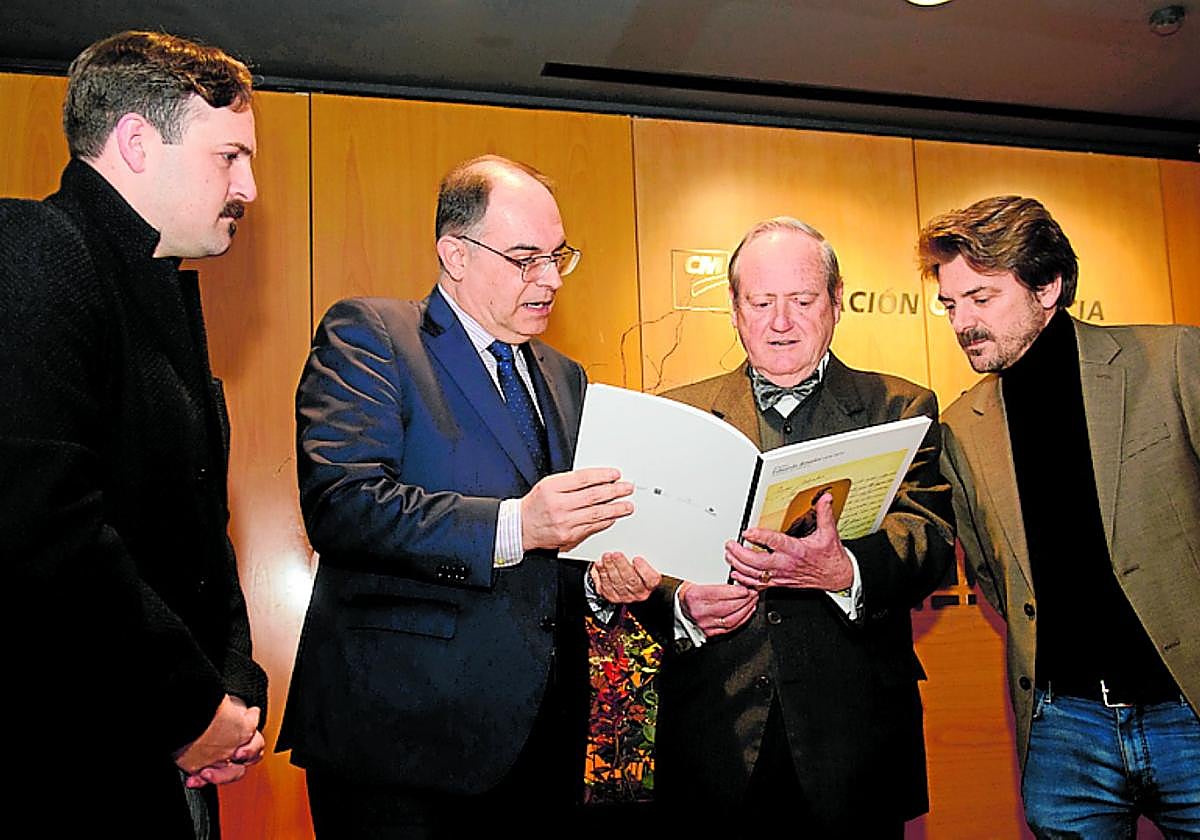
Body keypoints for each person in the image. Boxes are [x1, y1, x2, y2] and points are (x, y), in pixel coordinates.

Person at [278, 154, 646, 837]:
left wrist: (599, 582)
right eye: (525, 257)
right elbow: (344, 502)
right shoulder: (374, 336)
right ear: (454, 253)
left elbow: (559, 547)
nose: (550, 278)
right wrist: (516, 525)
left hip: (541, 740)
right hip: (401, 742)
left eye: (559, 255)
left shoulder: (567, 377)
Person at [0, 30, 267, 838]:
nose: (249, 187)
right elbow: (42, 532)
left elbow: (203, 539)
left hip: (154, 746)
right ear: (137, 142)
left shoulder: (159, 295)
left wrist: (230, 695)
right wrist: (192, 707)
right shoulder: (32, 252)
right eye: (230, 157)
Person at [618, 217, 954, 837]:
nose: (781, 322)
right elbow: (642, 556)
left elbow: (927, 535)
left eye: (801, 301)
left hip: (854, 741)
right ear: (735, 309)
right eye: (761, 302)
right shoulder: (679, 415)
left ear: (836, 302)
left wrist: (843, 569)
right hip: (714, 733)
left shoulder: (899, 408)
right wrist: (682, 603)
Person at [920, 195, 1200, 837]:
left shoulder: (1174, 363)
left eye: (982, 299)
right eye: (951, 304)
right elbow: (994, 576)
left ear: (1047, 285)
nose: (963, 321)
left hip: (1188, 708)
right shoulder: (962, 427)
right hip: (1065, 733)